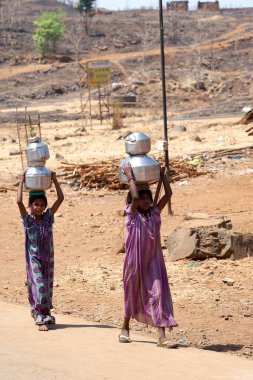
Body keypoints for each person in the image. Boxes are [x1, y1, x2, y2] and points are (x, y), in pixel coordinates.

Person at [119, 164, 178, 348]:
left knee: (158, 294)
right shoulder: (132, 214)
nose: (145, 201)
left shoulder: (154, 213)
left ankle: (161, 337)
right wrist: (130, 176)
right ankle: (125, 327)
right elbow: (135, 196)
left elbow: (168, 195)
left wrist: (162, 175)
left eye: (148, 198)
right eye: (142, 198)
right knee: (132, 292)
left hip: (153, 260)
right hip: (134, 261)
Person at [17, 171, 64, 331]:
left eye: (42, 205)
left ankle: (44, 313)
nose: (39, 207)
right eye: (36, 204)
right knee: (40, 286)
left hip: (48, 259)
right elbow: (18, 202)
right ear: (31, 206)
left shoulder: (48, 218)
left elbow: (60, 199)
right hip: (34, 258)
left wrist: (55, 180)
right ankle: (40, 317)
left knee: (47, 288)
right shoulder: (28, 221)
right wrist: (22, 181)